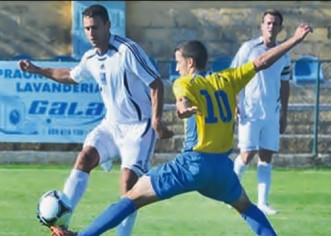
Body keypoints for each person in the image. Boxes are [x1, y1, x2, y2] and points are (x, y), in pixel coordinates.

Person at [50, 22, 313, 236]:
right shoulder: (228, 79)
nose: (176, 66)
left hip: (192, 164)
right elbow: (262, 61)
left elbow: (181, 100)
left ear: (189, 63)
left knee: (131, 198)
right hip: (222, 169)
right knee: (246, 208)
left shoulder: (183, 83)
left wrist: (182, 109)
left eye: (178, 61)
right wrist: (294, 40)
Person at [17, 4, 173, 236]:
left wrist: (157, 120)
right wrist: (38, 70)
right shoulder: (90, 57)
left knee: (128, 185)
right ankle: (62, 225)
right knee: (85, 158)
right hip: (111, 126)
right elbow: (70, 75)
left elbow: (155, 83)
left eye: (95, 27)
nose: (91, 33)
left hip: (138, 128)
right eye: (87, 29)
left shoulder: (127, 51)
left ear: (108, 26)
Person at [231, 9, 290, 215]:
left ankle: (263, 203)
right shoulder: (249, 48)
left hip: (271, 113)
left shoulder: (284, 52)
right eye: (268, 23)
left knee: (266, 157)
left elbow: (284, 84)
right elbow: (234, 75)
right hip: (250, 111)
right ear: (262, 25)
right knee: (246, 155)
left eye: (275, 24)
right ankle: (228, 193)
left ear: (280, 28)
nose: (271, 27)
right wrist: (235, 103)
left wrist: (284, 113)